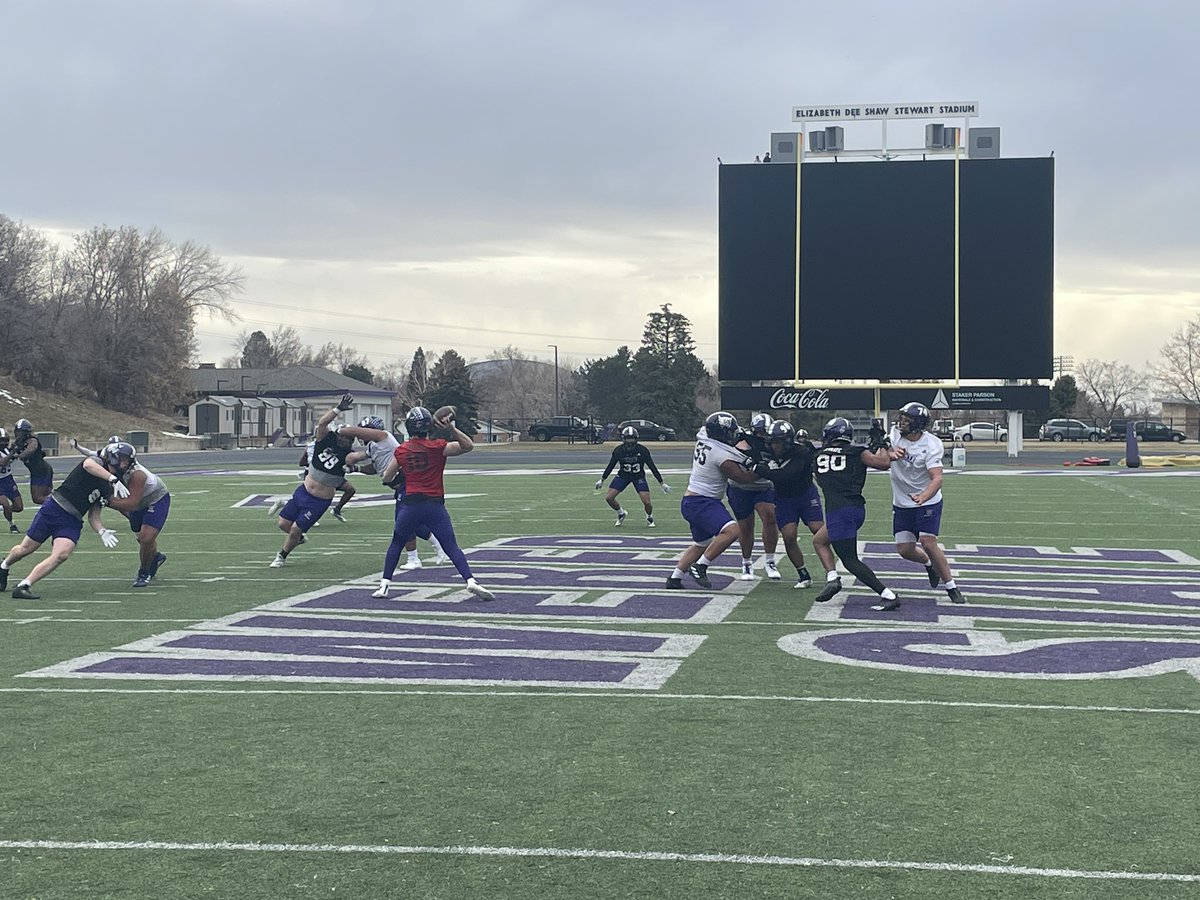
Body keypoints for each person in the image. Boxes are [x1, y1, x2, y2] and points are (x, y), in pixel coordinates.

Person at [373, 407, 494, 600]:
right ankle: (470, 581)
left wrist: (401, 478)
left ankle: (384, 585)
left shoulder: (402, 451)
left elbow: (387, 477)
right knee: (451, 546)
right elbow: (468, 445)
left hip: (410, 505)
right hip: (434, 505)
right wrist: (451, 429)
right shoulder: (438, 447)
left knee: (397, 542)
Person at [0, 448, 128, 599]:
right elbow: (88, 465)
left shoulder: (107, 486)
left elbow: (93, 515)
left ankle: (24, 586)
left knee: (62, 554)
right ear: (113, 458)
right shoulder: (96, 463)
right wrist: (112, 478)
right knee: (25, 549)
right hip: (54, 508)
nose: (126, 464)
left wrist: (102, 531)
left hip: (71, 520)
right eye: (124, 459)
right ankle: (4, 566)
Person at [270, 394, 373, 568]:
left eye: (349, 438)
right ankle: (298, 539)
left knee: (295, 528)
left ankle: (281, 556)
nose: (344, 440)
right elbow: (322, 423)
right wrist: (337, 409)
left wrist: (372, 449)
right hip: (302, 491)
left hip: (318, 501)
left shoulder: (348, 455)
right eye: (343, 435)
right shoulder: (324, 440)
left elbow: (358, 457)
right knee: (283, 524)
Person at [811, 417, 901, 611]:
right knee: (819, 540)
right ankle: (832, 578)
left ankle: (887, 594)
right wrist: (881, 443)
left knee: (850, 560)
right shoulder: (856, 452)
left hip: (838, 511)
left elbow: (821, 480)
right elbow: (884, 462)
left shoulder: (818, 455)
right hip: (855, 509)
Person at [665, 411, 761, 589]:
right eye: (728, 433)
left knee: (702, 544)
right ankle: (701, 567)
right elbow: (742, 478)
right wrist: (762, 470)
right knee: (732, 531)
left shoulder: (704, 436)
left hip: (691, 500)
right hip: (702, 501)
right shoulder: (720, 455)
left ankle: (674, 578)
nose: (732, 436)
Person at [344, 415, 449, 570]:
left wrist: (341, 429)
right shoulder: (375, 446)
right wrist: (355, 467)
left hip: (406, 485)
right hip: (401, 486)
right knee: (415, 524)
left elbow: (360, 437)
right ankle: (440, 547)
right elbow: (375, 466)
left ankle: (414, 559)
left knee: (404, 524)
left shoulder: (384, 437)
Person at [888, 402, 965, 604]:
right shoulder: (893, 435)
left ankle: (951, 586)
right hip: (902, 502)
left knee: (928, 542)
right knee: (904, 549)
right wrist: (888, 453)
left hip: (927, 501)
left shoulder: (931, 444)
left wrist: (924, 496)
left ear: (918, 424)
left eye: (907, 420)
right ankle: (930, 564)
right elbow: (880, 452)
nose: (901, 423)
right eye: (902, 418)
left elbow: (937, 478)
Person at [752, 421, 835, 589]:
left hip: (805, 495)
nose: (774, 445)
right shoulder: (767, 451)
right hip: (783, 498)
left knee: (818, 530)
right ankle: (803, 574)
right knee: (789, 536)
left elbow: (784, 476)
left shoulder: (801, 452)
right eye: (772, 441)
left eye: (778, 442)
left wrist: (757, 468)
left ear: (788, 441)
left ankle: (831, 573)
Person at [99, 442, 171, 588]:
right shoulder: (105, 467)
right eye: (121, 459)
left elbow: (132, 503)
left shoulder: (137, 474)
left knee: (146, 538)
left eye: (126, 460)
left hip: (155, 499)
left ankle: (144, 572)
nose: (124, 464)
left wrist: (106, 501)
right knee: (143, 540)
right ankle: (155, 557)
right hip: (137, 501)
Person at [728, 413, 782, 580]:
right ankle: (746, 563)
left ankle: (770, 561)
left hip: (764, 486)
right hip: (740, 487)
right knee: (745, 526)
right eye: (759, 433)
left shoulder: (775, 445)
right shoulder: (741, 442)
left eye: (765, 433)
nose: (762, 436)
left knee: (770, 517)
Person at [594, 426, 670, 527]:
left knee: (646, 501)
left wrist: (662, 483)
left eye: (632, 438)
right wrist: (602, 479)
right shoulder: (619, 450)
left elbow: (652, 467)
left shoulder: (642, 450)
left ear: (636, 438)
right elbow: (611, 465)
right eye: (628, 438)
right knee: (609, 498)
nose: (630, 441)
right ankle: (621, 513)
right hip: (623, 475)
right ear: (623, 439)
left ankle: (649, 517)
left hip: (638, 476)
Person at [12, 419, 53, 505]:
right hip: (36, 472)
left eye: (20, 432)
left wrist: (20, 455)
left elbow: (32, 448)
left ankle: (59, 502)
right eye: (17, 431)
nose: (17, 434)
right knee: (43, 497)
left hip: (42, 471)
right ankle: (55, 506)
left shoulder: (32, 440)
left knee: (38, 498)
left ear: (26, 432)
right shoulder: (18, 442)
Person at [0, 429, 25, 533]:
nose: (3, 443)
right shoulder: (7, 452)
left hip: (8, 479)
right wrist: (13, 452)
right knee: (5, 504)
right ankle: (12, 524)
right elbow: (3, 462)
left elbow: (16, 456)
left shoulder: (6, 450)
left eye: (5, 440)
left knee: (19, 507)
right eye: (1, 440)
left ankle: (6, 511)